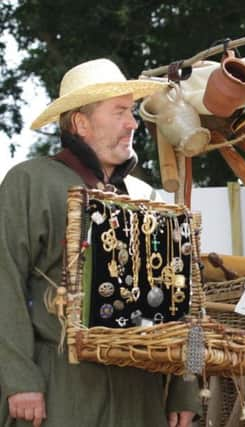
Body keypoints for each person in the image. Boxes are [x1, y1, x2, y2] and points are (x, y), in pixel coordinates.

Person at [0, 59, 201, 427]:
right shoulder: (30, 181)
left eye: (132, 112)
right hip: (63, 388)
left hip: (142, 393)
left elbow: (187, 297)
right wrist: (18, 378)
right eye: (120, 111)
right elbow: (3, 282)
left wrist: (186, 384)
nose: (133, 123)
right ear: (81, 123)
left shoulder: (146, 195)